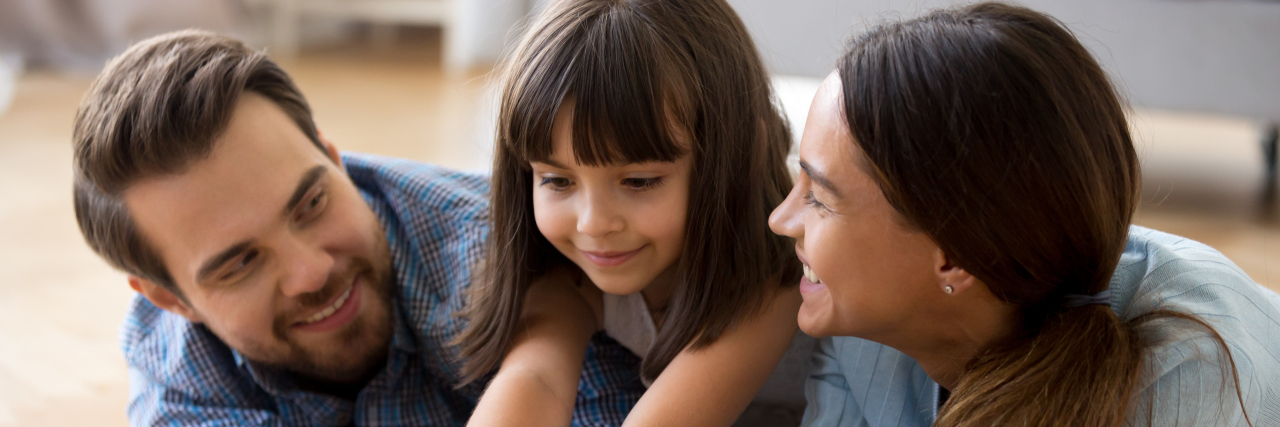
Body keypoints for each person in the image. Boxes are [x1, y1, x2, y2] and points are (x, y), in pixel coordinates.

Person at [72, 30, 642, 426]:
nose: (311, 271)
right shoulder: (178, 373)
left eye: (311, 204)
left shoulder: (504, 262)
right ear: (171, 300)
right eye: (241, 263)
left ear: (333, 158)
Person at [767, 2, 1280, 426]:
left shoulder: (1191, 379)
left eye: (819, 198)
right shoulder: (860, 332)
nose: (780, 219)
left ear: (955, 258)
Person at [453, 0, 810, 425]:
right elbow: (535, 377)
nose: (593, 224)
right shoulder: (569, 274)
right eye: (558, 181)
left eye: (639, 182)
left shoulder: (785, 262)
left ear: (741, 157)